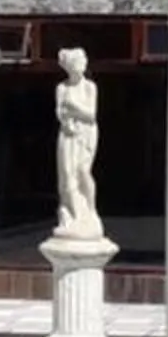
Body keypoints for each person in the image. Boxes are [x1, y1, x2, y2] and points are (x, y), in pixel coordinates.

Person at [54, 47, 102, 236]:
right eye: (79, 61)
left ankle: (90, 211)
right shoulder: (62, 87)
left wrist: (73, 107)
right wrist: (67, 121)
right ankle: (70, 213)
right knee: (67, 174)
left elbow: (90, 114)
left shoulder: (90, 87)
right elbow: (60, 112)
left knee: (83, 171)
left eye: (84, 61)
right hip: (68, 132)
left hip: (86, 132)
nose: (83, 64)